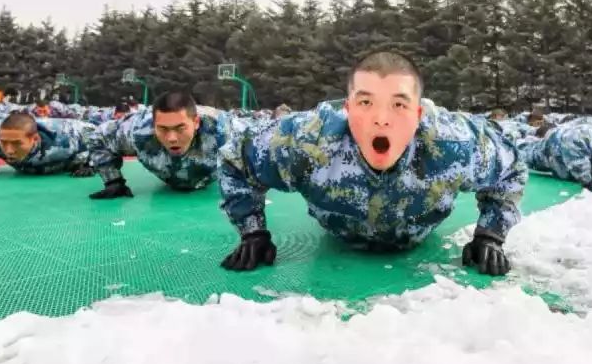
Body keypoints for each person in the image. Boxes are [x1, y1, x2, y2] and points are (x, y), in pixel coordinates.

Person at [217, 50, 527, 276]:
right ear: (348, 109)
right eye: (366, 103)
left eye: (398, 104)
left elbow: (511, 168)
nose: (381, 119)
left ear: (418, 114)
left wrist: (490, 234)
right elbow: (235, 159)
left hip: (417, 239)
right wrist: (252, 231)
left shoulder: (454, 144)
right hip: (339, 239)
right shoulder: (308, 142)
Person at [86, 90, 242, 199]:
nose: (172, 138)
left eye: (180, 128)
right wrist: (113, 181)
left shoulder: (225, 129)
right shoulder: (138, 130)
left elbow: (259, 146)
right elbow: (97, 137)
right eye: (163, 129)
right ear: (154, 124)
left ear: (196, 122)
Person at [0, 111, 97, 177]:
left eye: (17, 144)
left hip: (66, 158)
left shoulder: (66, 137)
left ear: (35, 139)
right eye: (4, 143)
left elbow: (96, 134)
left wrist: (91, 165)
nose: (9, 151)